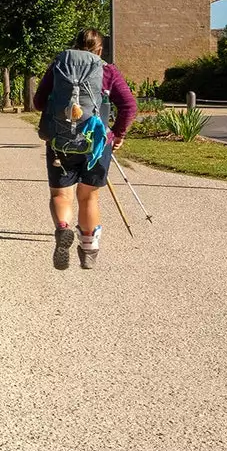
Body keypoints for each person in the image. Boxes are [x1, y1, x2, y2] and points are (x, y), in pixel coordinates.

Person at [31, 29, 136, 270]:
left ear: (75, 46)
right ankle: (88, 251)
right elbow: (129, 106)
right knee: (89, 196)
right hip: (97, 145)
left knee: (60, 195)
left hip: (61, 142)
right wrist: (117, 135)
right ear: (99, 49)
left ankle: (63, 229)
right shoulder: (107, 70)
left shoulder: (59, 65)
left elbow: (38, 102)